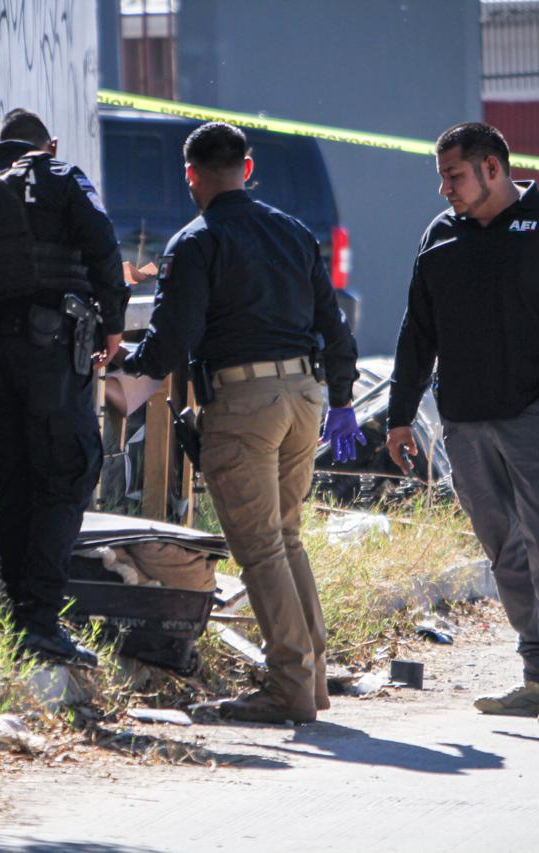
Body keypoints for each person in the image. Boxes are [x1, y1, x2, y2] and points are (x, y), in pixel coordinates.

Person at [122, 121, 362, 723]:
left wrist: (123, 362)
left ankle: (289, 690)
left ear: (190, 175)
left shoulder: (195, 242)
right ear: (248, 169)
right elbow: (334, 325)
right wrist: (342, 398)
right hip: (305, 397)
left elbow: (171, 341)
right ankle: (312, 682)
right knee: (286, 537)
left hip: (243, 404)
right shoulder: (294, 232)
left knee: (259, 550)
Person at [385, 122, 539, 726]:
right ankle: (534, 674)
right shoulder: (441, 235)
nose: (445, 189)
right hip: (463, 417)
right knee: (504, 548)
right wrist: (400, 415)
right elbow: (417, 331)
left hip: (538, 413)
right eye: (441, 178)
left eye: (453, 176)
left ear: (491, 167)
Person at [0, 108, 127, 666]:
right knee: (66, 474)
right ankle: (40, 622)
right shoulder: (60, 177)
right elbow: (103, 245)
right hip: (53, 354)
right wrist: (112, 325)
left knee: (14, 483)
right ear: (50, 143)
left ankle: (20, 619)